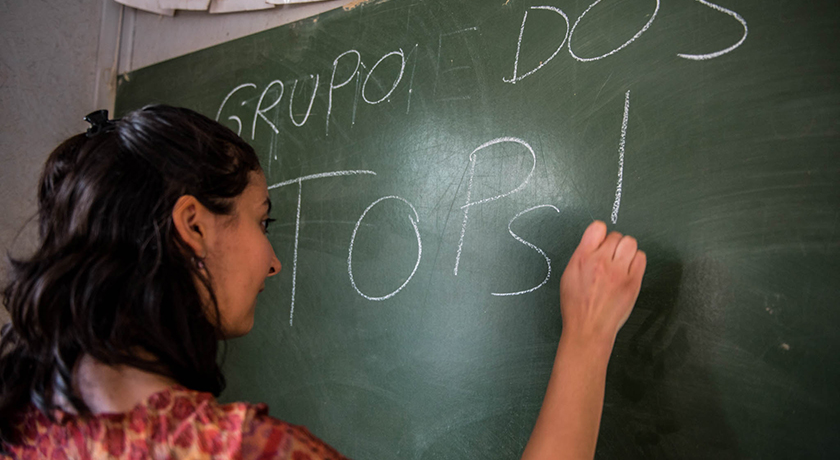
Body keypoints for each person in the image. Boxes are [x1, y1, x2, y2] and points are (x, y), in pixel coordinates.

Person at [0, 105, 645, 459]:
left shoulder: (25, 428)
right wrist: (586, 341)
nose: (274, 261)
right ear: (193, 224)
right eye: (261, 220)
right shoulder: (239, 452)